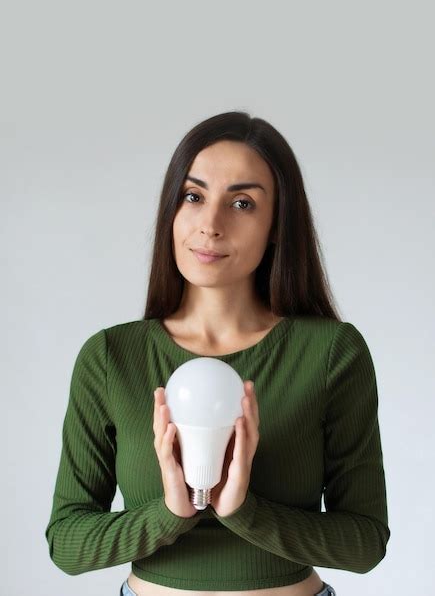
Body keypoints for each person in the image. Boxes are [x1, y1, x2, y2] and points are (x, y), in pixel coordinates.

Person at [45, 111, 390, 596]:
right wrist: (169, 513)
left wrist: (244, 510)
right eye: (193, 196)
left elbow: (365, 543)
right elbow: (66, 543)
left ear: (277, 225)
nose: (210, 225)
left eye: (243, 203)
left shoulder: (332, 352)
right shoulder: (110, 358)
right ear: (171, 209)